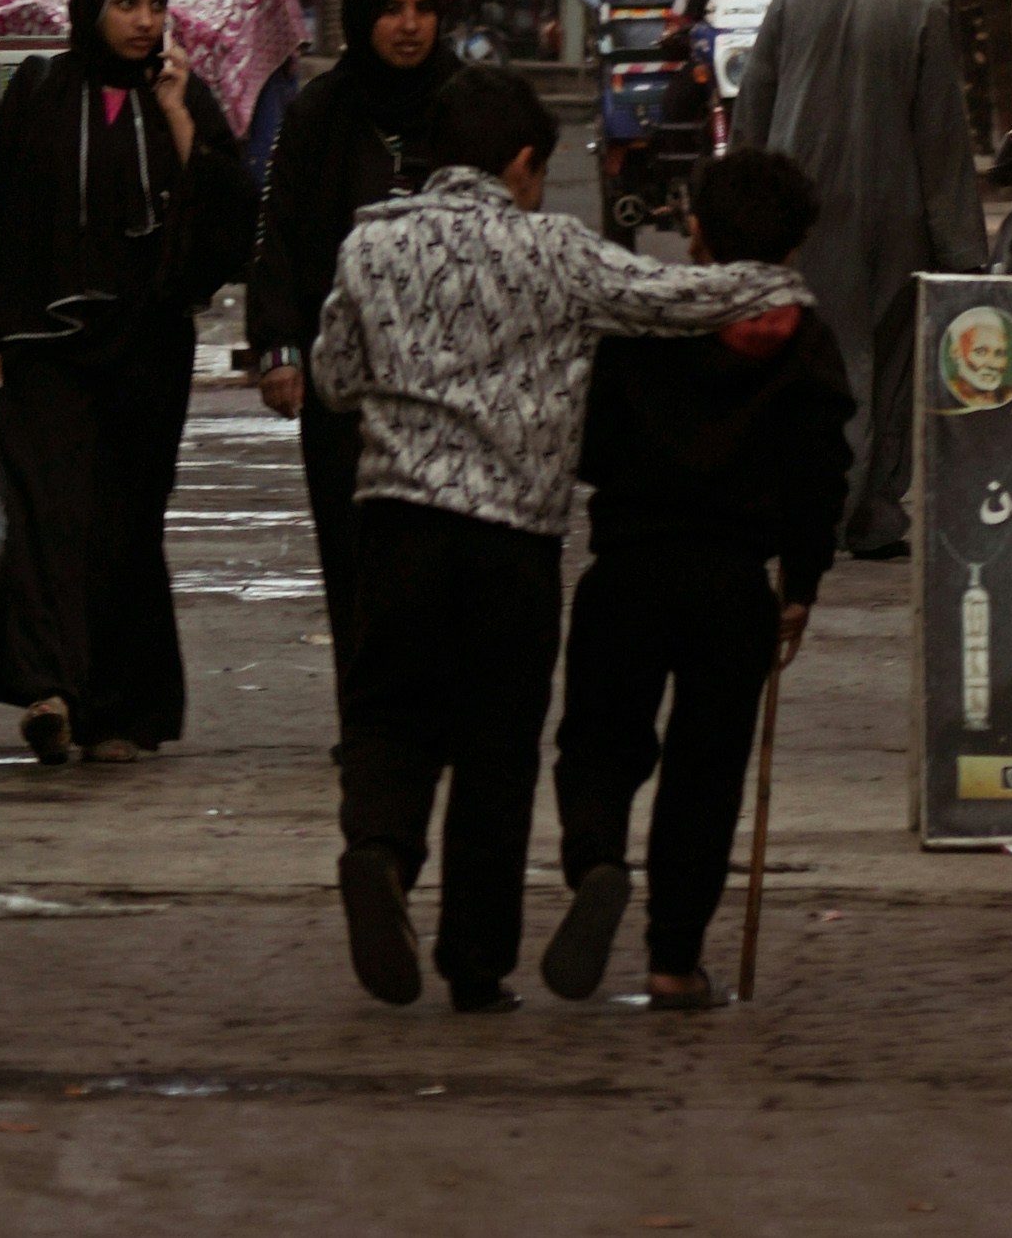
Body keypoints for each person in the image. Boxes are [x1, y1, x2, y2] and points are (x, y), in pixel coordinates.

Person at [311, 62, 807, 1018]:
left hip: (398, 523)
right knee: (498, 747)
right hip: (512, 541)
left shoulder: (371, 248)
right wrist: (779, 284)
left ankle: (377, 851)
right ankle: (476, 963)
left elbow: (336, 378)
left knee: (390, 717)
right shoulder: (556, 251)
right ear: (524, 163)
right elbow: (671, 298)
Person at [544, 143, 851, 1012]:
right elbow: (818, 471)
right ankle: (673, 962)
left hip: (629, 569)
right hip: (731, 588)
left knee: (599, 744)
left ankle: (598, 859)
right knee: (706, 775)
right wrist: (801, 584)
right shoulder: (805, 339)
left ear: (698, 236)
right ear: (793, 249)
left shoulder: (640, 320)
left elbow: (591, 444)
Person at [0, 0, 257, 765]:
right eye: (127, 4)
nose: (142, 21)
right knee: (52, 514)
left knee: (126, 523)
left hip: (146, 346)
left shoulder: (185, 96)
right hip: (46, 344)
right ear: (91, 7)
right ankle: (52, 689)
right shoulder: (42, 91)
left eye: (157, 6)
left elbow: (229, 225)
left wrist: (178, 116)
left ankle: (122, 708)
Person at [727, 0, 986, 560]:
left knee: (806, 361)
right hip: (890, 221)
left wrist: (737, 220)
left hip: (800, 219)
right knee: (886, 367)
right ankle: (869, 514)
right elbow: (942, 147)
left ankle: (806, 505)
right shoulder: (921, 13)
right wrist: (965, 260)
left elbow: (751, 115)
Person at [247, 0, 454, 680]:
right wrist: (278, 349)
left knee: (437, 545)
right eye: (391, 10)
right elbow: (281, 235)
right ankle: (368, 717)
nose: (408, 26)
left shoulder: (465, 102)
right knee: (351, 542)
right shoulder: (319, 113)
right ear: (363, 17)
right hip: (343, 375)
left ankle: (429, 702)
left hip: (446, 375)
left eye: (422, 9)